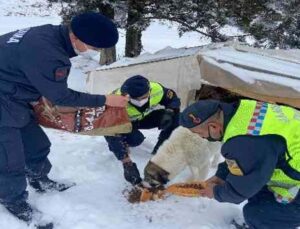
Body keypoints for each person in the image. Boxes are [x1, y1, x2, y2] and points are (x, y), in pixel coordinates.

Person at [0, 12, 128, 227]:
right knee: (8, 156)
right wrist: (106, 100)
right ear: (76, 38)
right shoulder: (49, 54)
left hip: (12, 92)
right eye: (94, 48)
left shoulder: (50, 33)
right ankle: (14, 201)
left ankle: (39, 179)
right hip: (4, 98)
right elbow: (61, 97)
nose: (95, 53)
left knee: (37, 144)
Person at [176, 99, 300, 229]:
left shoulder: (245, 141)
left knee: (256, 216)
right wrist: (221, 175)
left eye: (199, 133)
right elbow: (248, 157)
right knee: (257, 193)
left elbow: (238, 191)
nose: (201, 138)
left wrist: (214, 192)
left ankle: (266, 223)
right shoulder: (243, 111)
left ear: (213, 126)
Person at [105, 75, 180, 185]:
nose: (140, 101)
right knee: (136, 140)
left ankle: (162, 147)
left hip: (144, 118)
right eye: (135, 99)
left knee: (175, 117)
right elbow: (110, 132)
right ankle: (127, 141)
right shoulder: (114, 104)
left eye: (143, 97)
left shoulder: (156, 89)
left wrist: (169, 111)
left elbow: (173, 99)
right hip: (125, 124)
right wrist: (126, 163)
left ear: (149, 91)